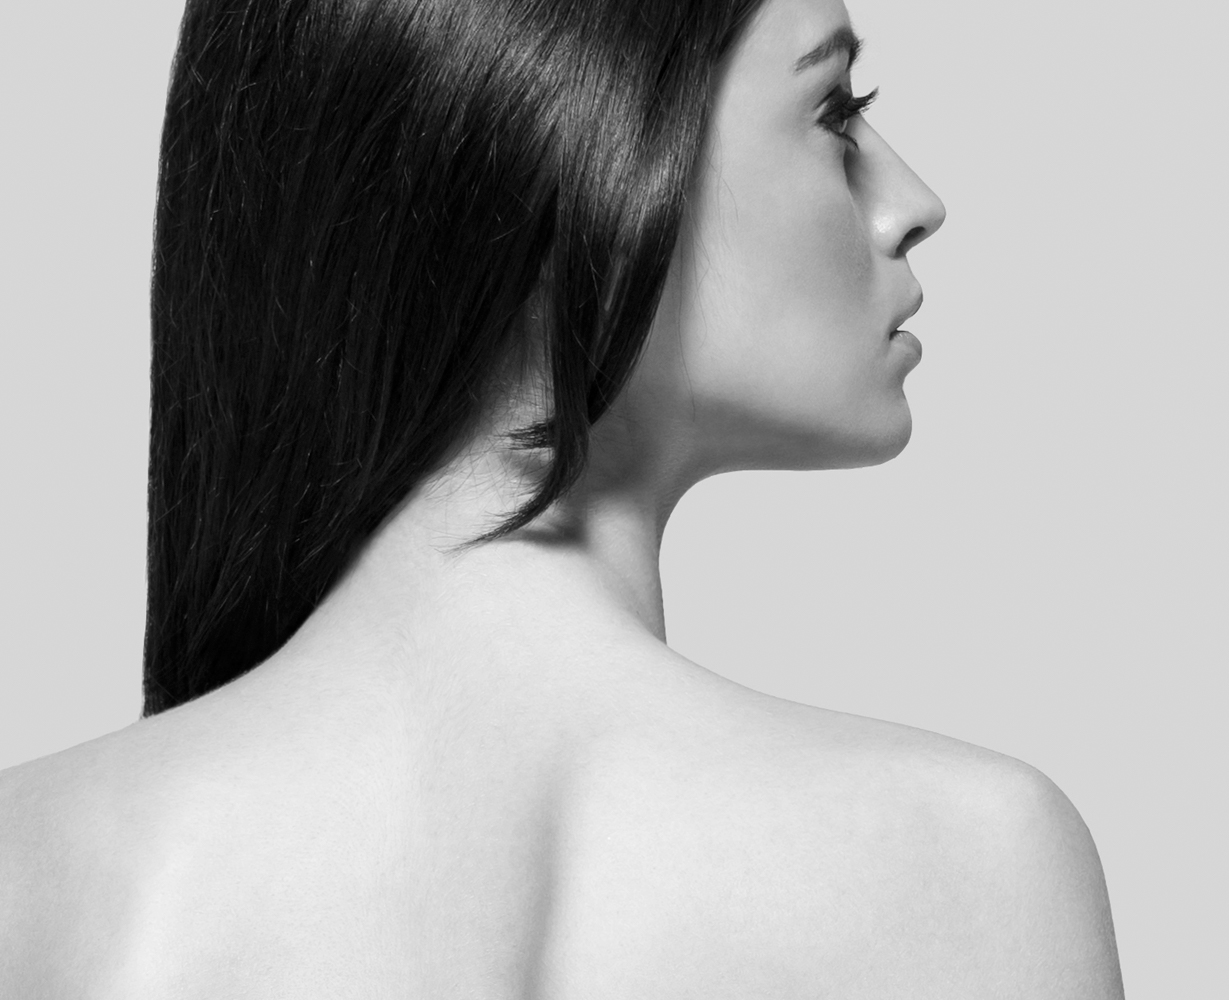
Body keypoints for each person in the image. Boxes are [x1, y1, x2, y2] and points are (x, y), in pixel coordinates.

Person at [0, 0, 1125, 994]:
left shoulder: (40, 874)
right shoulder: (970, 865)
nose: (912, 203)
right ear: (562, 137)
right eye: (835, 111)